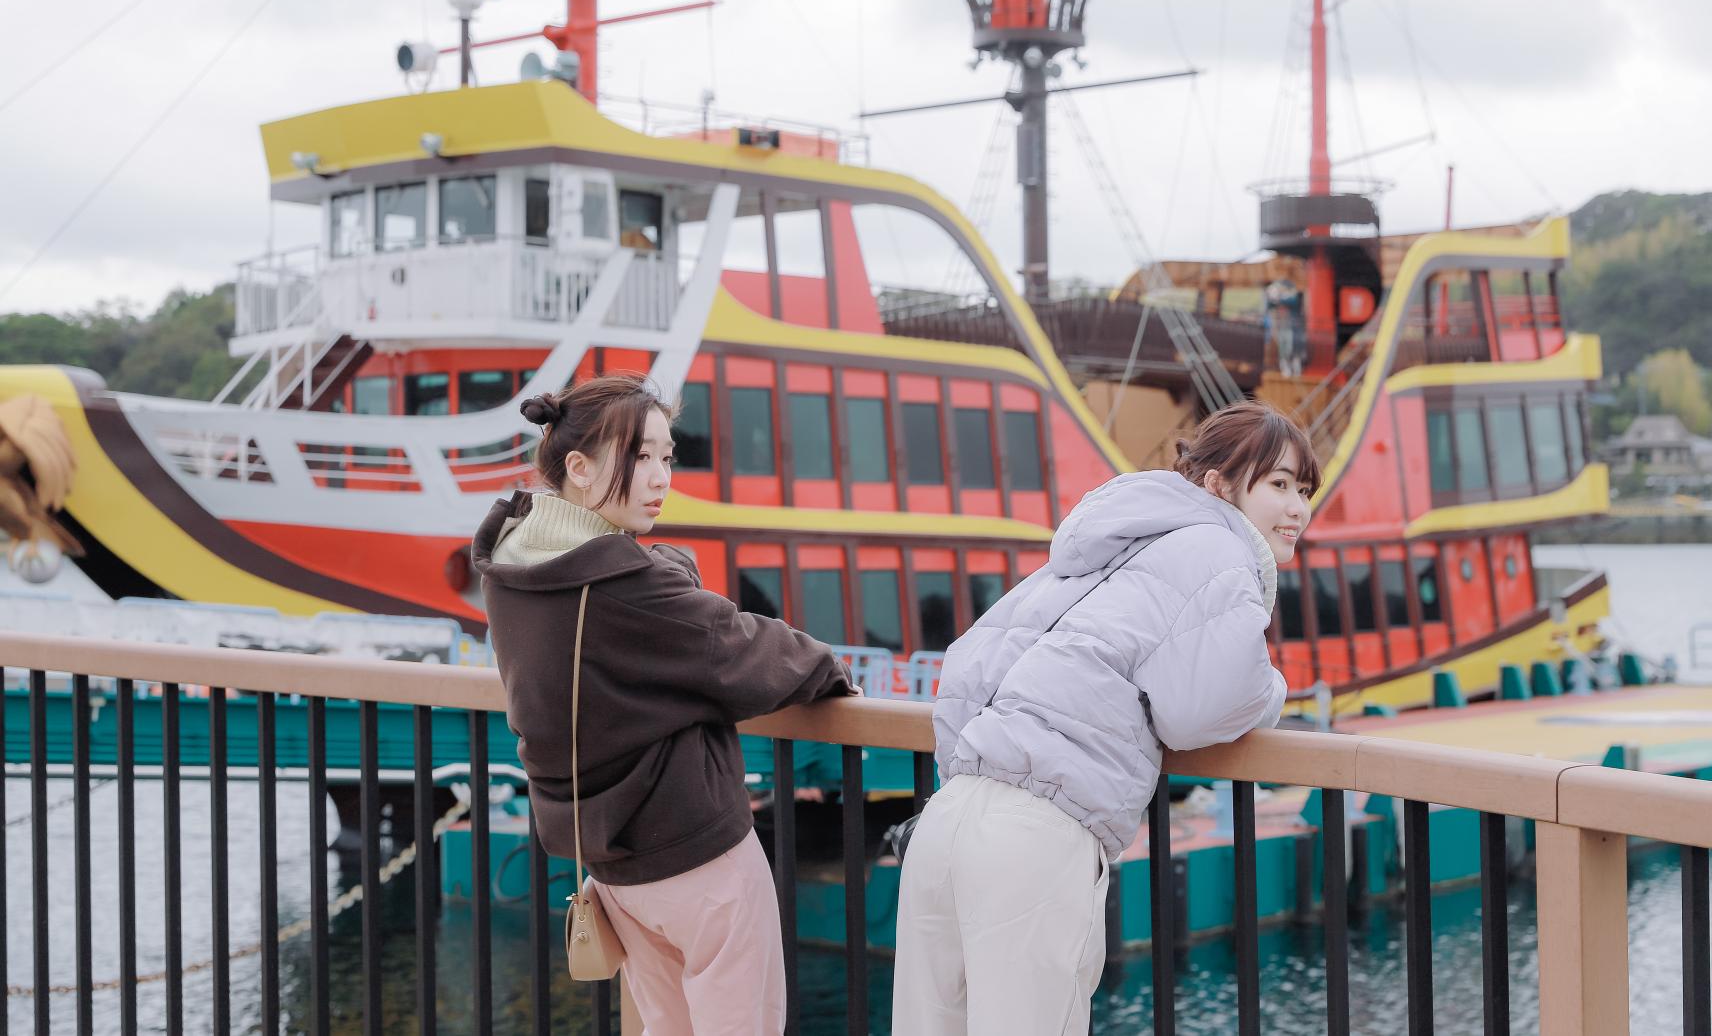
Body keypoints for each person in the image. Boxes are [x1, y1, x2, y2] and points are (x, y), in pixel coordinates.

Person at [891, 400, 1319, 1035]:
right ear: (1217, 485)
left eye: (1305, 490)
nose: (1298, 508)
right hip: (1038, 836)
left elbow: (966, 667)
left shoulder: (1102, 542)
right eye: (1278, 485)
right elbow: (1203, 708)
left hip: (949, 819)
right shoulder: (1221, 551)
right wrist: (1274, 691)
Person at [474, 372, 857, 1036]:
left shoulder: (515, 565)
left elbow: (660, 603)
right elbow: (743, 649)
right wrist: (832, 670)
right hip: (698, 856)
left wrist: (660, 567)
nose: (659, 478)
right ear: (580, 468)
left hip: (613, 863)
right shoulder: (626, 586)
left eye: (666, 456)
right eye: (640, 457)